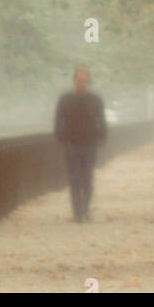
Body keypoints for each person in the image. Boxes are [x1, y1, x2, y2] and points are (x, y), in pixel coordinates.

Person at [54, 67, 107, 223]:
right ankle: (77, 213)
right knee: (75, 178)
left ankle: (85, 208)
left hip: (90, 144)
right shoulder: (65, 100)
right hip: (71, 144)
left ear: (88, 82)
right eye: (79, 81)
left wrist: (101, 137)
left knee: (87, 178)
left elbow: (101, 121)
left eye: (84, 81)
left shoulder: (95, 100)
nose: (82, 84)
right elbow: (58, 121)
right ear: (74, 81)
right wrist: (62, 138)